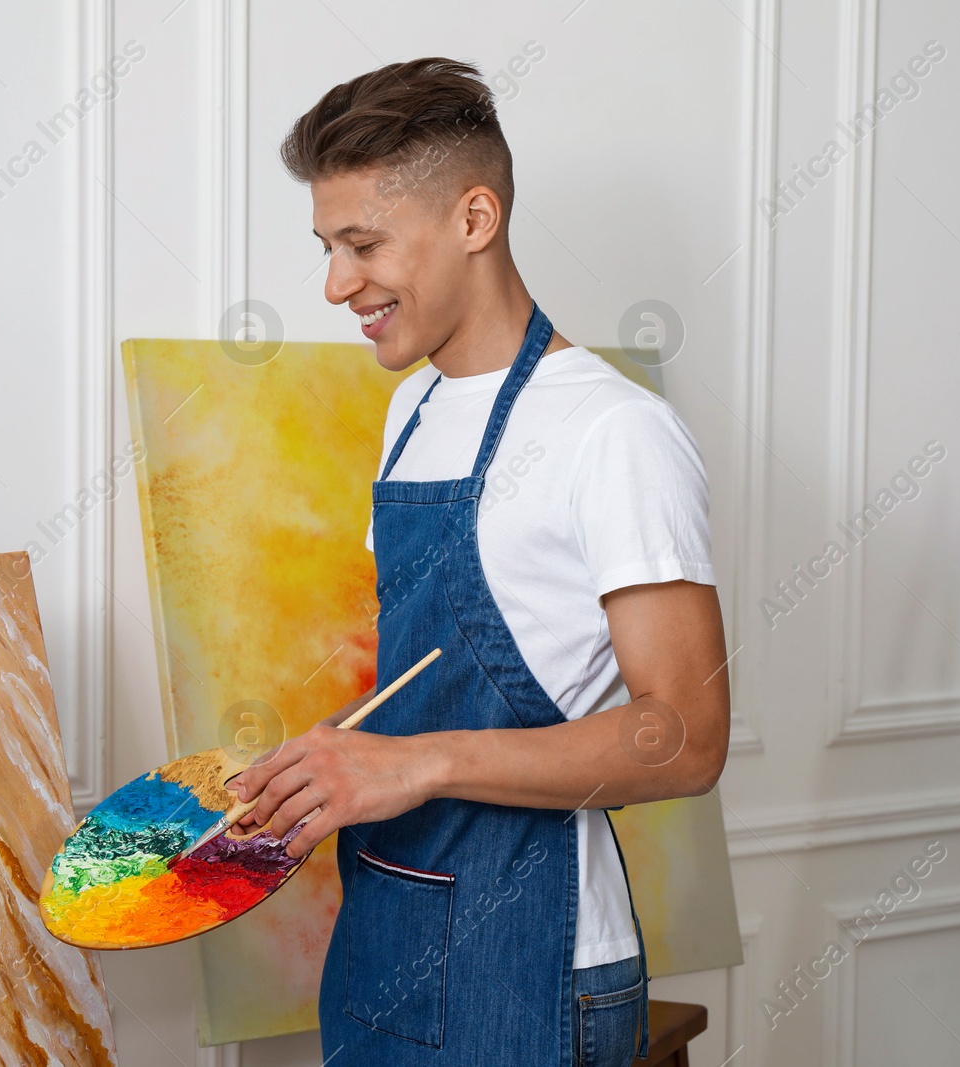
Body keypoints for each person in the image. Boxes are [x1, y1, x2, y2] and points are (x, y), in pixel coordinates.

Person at [227, 56, 731, 1067]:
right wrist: (324, 767)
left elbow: (685, 736)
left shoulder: (613, 431)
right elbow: (432, 673)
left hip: (530, 955)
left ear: (473, 218)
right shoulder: (409, 409)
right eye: (328, 246)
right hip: (384, 928)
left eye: (362, 244)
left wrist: (419, 761)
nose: (336, 284)